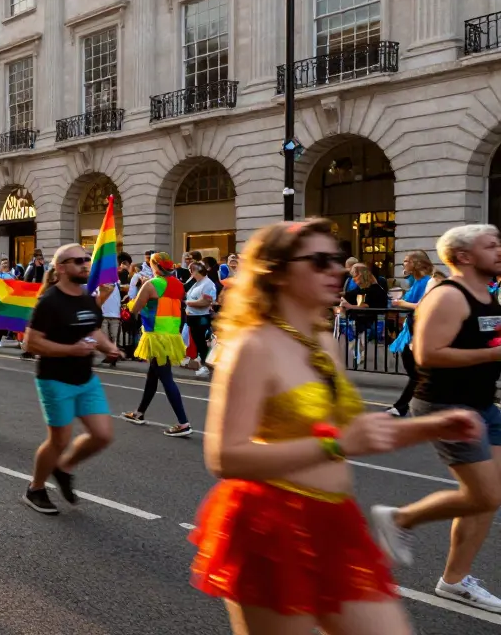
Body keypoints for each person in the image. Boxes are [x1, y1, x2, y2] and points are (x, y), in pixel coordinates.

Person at [189, 218, 482, 635]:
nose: (338, 269)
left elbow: (351, 432)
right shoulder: (252, 346)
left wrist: (431, 427)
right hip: (269, 525)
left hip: (335, 519)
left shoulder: (323, 337)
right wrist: (336, 445)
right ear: (278, 271)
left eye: (337, 258)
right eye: (320, 261)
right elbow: (225, 457)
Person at [368, 225, 501, 613]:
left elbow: (484, 339)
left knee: (488, 499)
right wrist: (494, 355)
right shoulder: (448, 296)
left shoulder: (486, 295)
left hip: (482, 404)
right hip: (445, 404)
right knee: (484, 494)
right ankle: (400, 518)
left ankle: (455, 581)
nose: (499, 251)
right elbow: (428, 354)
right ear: (463, 256)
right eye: (490, 246)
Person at [22, 244, 122, 515]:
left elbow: (93, 330)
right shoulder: (49, 301)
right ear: (62, 268)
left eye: (87, 260)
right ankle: (35, 488)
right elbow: (30, 343)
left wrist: (108, 346)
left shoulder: (88, 299)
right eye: (78, 261)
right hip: (55, 379)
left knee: (102, 435)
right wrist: (70, 350)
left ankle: (63, 468)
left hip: (85, 378)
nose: (85, 265)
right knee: (59, 440)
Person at [122, 252, 193, 437]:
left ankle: (183, 423)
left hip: (156, 336)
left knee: (166, 377)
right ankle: (139, 413)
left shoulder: (151, 284)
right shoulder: (178, 284)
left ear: (155, 266)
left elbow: (136, 308)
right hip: (171, 335)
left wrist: (131, 302)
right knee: (153, 375)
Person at [388, 250, 434, 417]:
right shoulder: (417, 281)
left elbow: (423, 306)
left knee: (416, 373)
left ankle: (401, 407)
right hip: (411, 330)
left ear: (416, 263)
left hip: (421, 332)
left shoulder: (428, 282)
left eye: (407, 261)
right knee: (416, 372)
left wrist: (402, 302)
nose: (404, 264)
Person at [184, 260, 218, 378]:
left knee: (202, 343)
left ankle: (206, 367)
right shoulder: (197, 283)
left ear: (197, 271)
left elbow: (206, 301)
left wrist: (188, 303)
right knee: (198, 343)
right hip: (193, 317)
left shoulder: (207, 284)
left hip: (201, 317)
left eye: (191, 270)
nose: (190, 273)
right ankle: (204, 365)